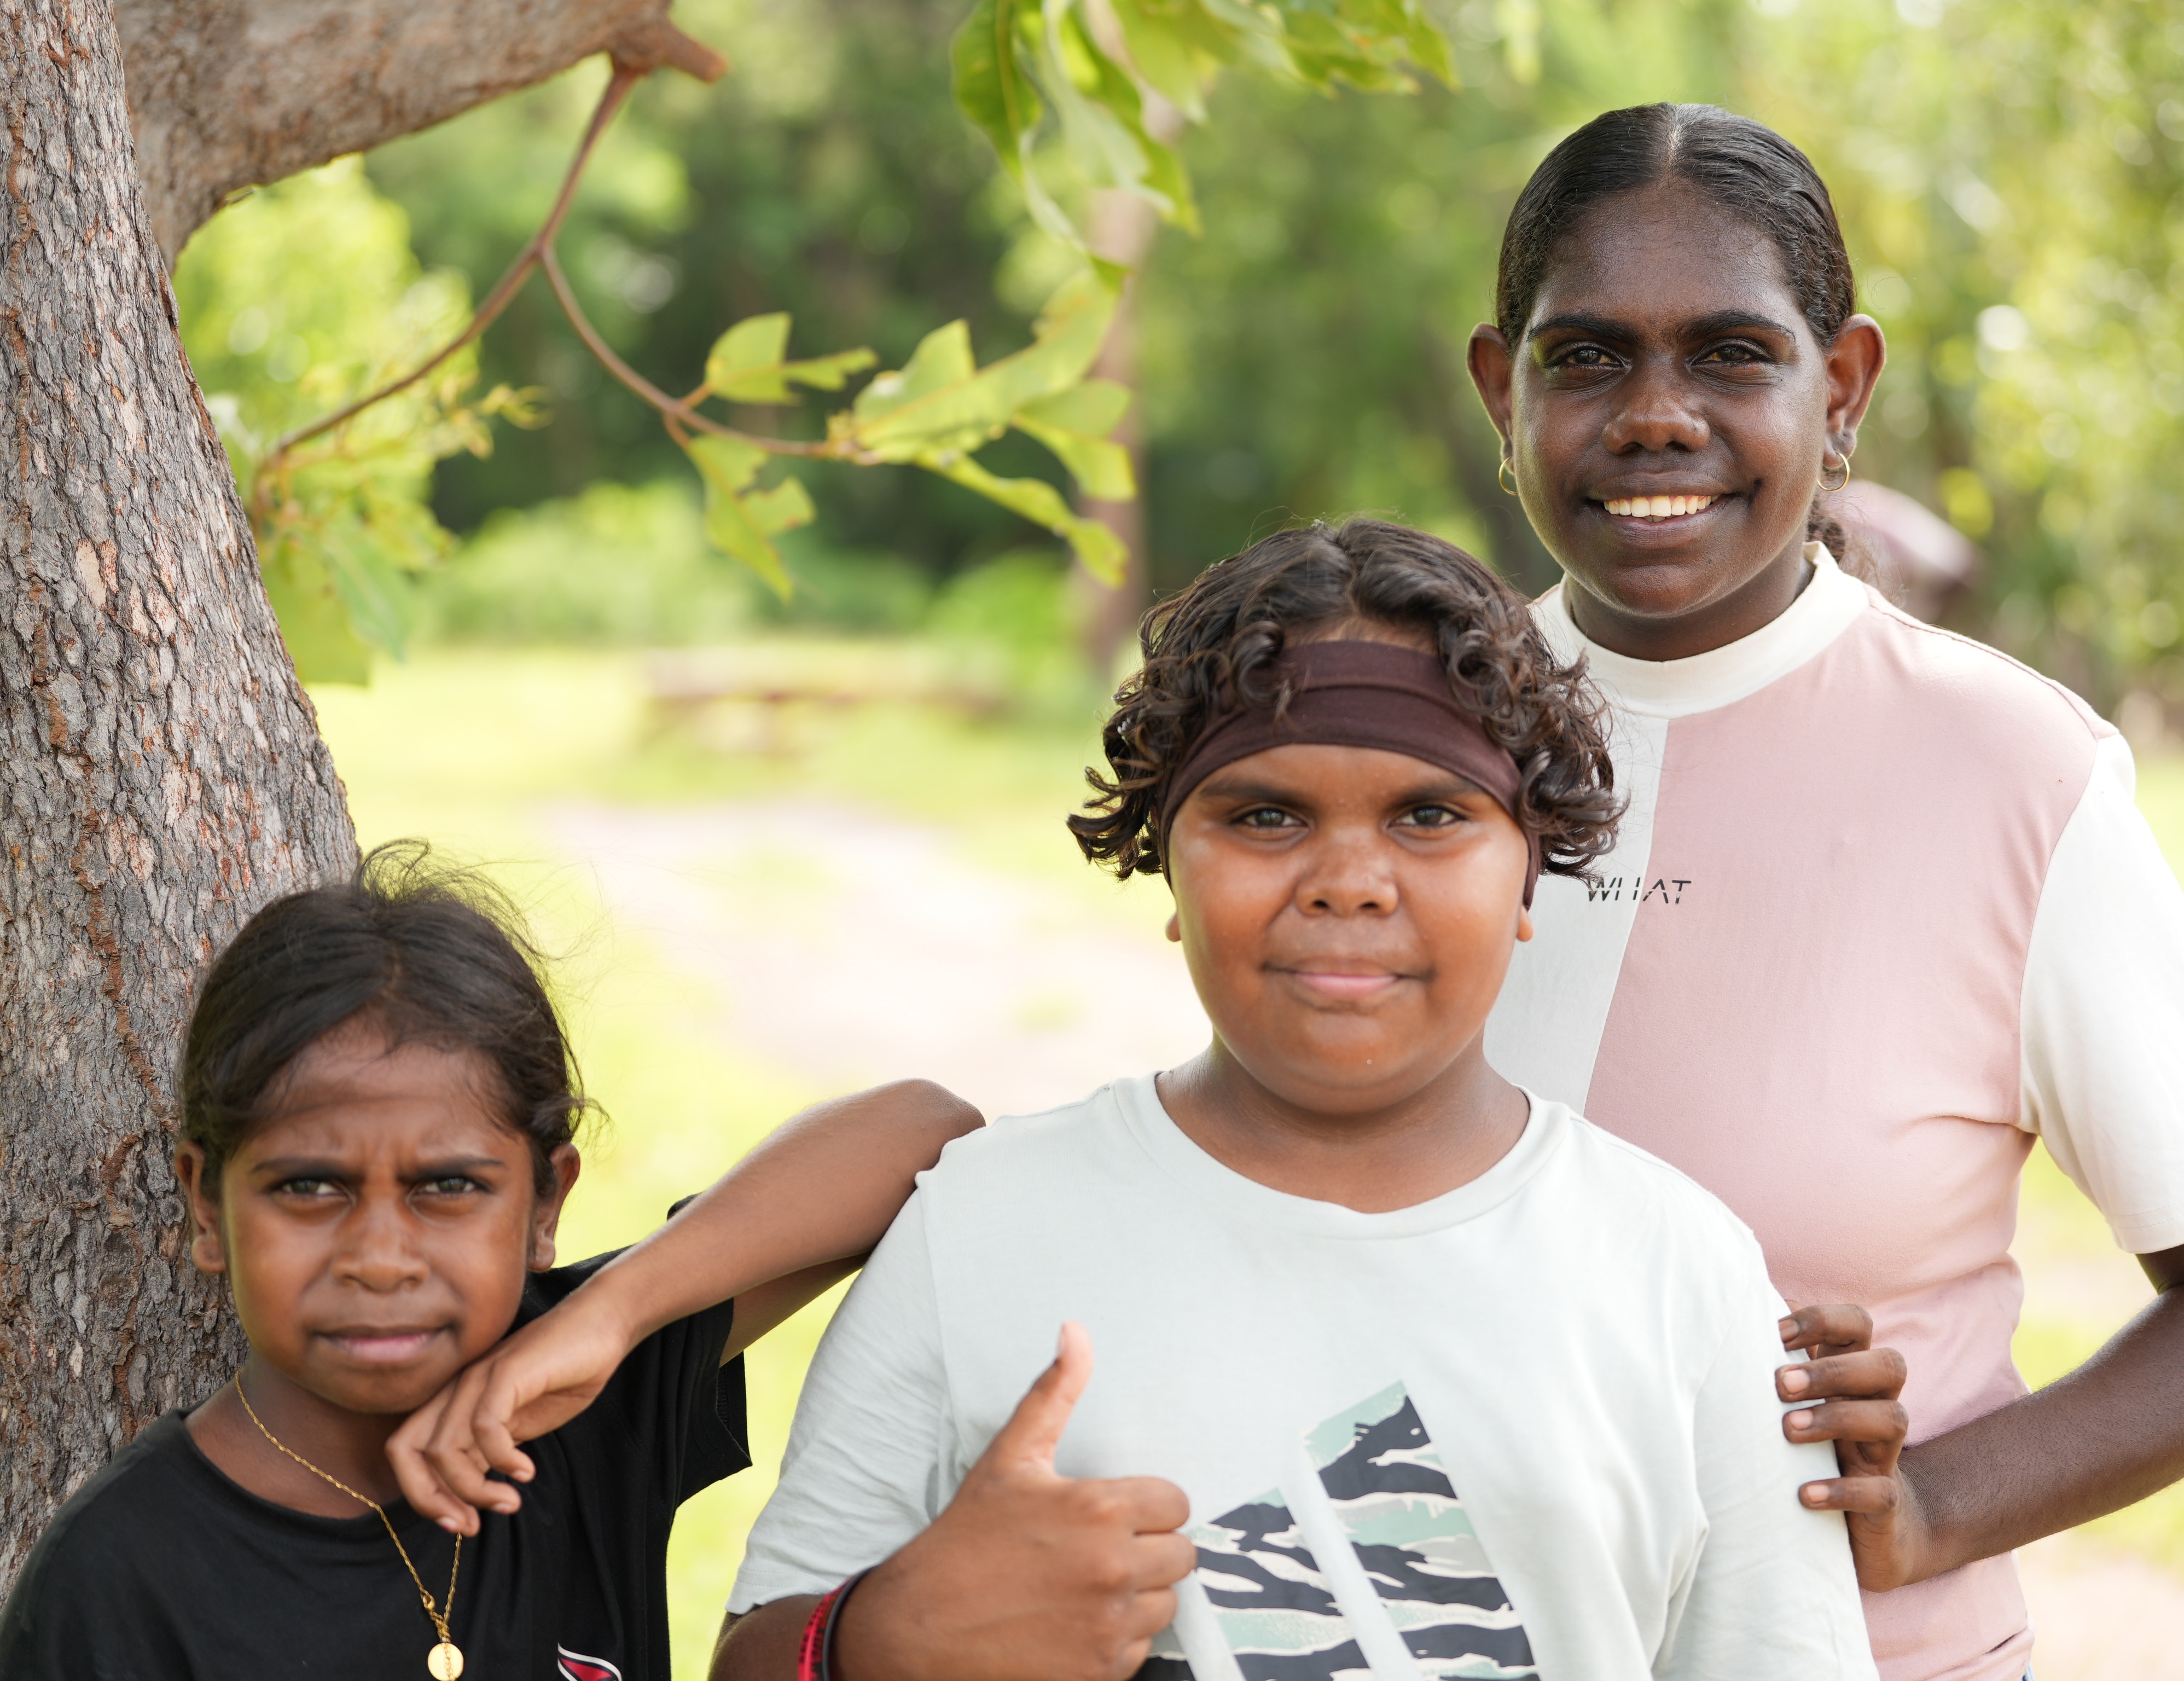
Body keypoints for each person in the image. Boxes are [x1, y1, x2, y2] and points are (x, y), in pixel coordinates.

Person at [1464, 103, 2184, 1681]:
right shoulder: (1410, 737)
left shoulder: (2009, 768)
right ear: (1499, 389)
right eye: (1584, 357)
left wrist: (1930, 1506)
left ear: (1844, 385)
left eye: (1733, 355)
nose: (1656, 416)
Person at [711, 520, 1879, 1681]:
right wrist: (882, 1641)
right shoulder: (981, 1231)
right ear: (1168, 861)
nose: (1349, 884)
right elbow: (753, 1654)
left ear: (1530, 870)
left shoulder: (1678, 1271)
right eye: (1266, 816)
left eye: (1430, 815)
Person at [0, 843, 982, 1680]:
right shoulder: (116, 1581)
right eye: (308, 1188)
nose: (381, 1260)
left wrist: (610, 1314)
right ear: (207, 1209)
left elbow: (927, 1131)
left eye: (450, 1188)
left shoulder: (584, 1400)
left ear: (545, 1202)